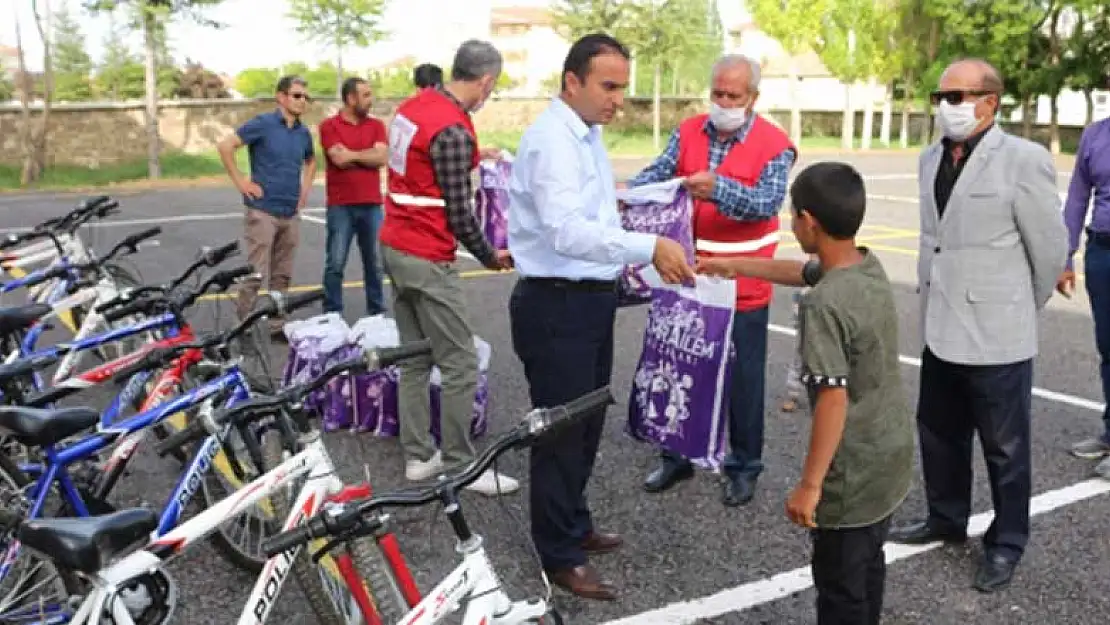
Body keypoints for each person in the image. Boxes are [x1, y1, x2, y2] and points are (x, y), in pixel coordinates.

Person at [507, 32, 694, 601]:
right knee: (561, 430)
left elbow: (598, 209)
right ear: (573, 82)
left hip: (587, 299)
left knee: (587, 421)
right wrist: (648, 246)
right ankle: (557, 553)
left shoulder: (585, 135)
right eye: (608, 86)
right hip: (555, 302)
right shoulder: (551, 141)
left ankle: (573, 522)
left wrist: (664, 196)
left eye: (622, 88)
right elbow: (566, 230)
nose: (618, 99)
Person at [697, 161, 913, 625]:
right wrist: (730, 264)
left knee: (840, 592)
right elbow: (800, 270)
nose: (791, 224)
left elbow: (833, 399)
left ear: (808, 222)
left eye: (793, 216)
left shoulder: (824, 304)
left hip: (851, 474)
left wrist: (810, 486)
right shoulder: (865, 267)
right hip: (888, 459)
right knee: (866, 573)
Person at [887, 58, 1068, 593]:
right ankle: (946, 518)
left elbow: (1049, 248)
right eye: (941, 97)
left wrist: (1017, 307)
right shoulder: (928, 159)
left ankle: (1006, 542)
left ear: (991, 102)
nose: (948, 107)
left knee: (1005, 449)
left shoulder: (1023, 160)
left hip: (998, 334)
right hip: (940, 325)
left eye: (959, 97)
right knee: (939, 434)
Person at [627, 53, 796, 506]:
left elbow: (766, 202)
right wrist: (630, 195)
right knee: (681, 367)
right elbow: (657, 173)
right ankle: (676, 455)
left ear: (753, 98)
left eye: (733, 96)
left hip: (743, 282)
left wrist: (717, 188)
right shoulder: (687, 131)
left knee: (743, 380)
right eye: (717, 93)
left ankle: (743, 466)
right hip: (684, 276)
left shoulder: (775, 145)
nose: (723, 102)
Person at [378, 39, 518, 496]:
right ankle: (462, 466)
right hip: (426, 252)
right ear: (485, 81)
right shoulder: (454, 129)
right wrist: (489, 255)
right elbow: (459, 212)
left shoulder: (414, 106)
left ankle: (419, 455)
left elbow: (421, 170)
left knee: (415, 356)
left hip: (394, 244)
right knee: (459, 362)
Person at [217, 75, 316, 334]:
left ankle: (277, 324)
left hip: (290, 212)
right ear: (281, 97)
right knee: (256, 273)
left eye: (306, 97)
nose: (302, 101)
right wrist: (241, 181)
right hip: (263, 211)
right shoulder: (263, 124)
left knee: (282, 274)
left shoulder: (303, 133)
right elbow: (226, 146)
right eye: (297, 95)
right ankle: (241, 325)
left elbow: (311, 161)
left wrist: (305, 189)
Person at [1059, 116, 1110, 480]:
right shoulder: (1096, 135)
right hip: (1102, 251)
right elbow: (1077, 198)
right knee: (1108, 347)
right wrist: (1065, 256)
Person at [318, 77, 388, 318]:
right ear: (351, 98)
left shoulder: (377, 125)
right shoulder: (329, 126)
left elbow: (381, 158)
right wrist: (365, 155)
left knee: (375, 264)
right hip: (341, 205)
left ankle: (377, 313)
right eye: (366, 95)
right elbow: (338, 158)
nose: (371, 100)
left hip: (372, 205)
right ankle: (332, 313)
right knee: (336, 263)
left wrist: (352, 155)